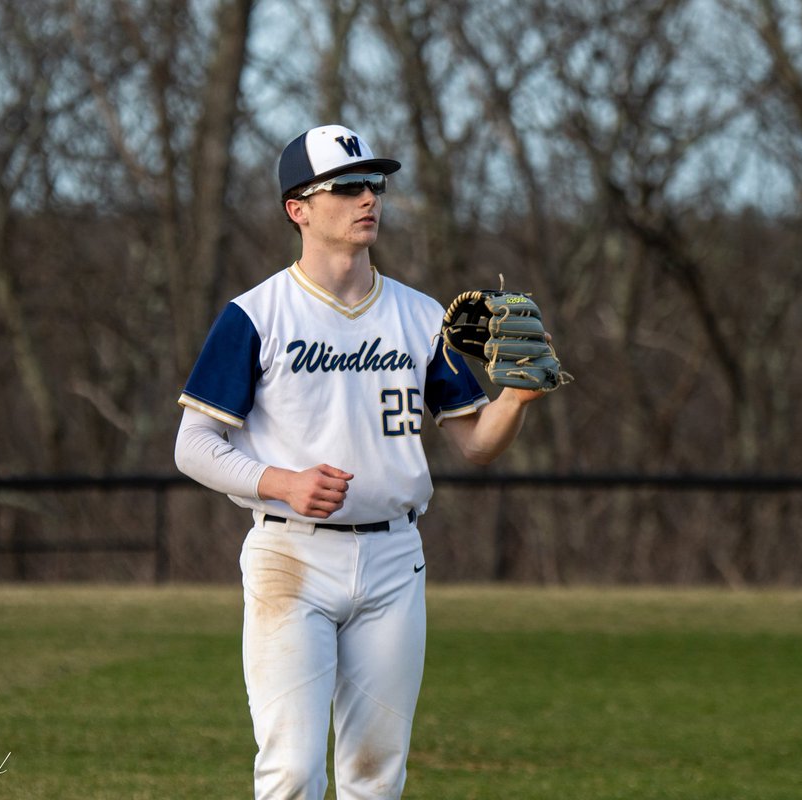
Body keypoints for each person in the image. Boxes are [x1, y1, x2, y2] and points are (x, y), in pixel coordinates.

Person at [174, 124, 550, 800]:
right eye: (346, 187)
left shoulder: (420, 315)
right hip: (291, 559)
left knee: (377, 775)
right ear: (299, 209)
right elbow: (192, 445)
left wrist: (517, 395)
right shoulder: (257, 314)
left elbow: (474, 444)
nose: (368, 198)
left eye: (374, 184)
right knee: (292, 770)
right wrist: (280, 481)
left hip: (393, 559)